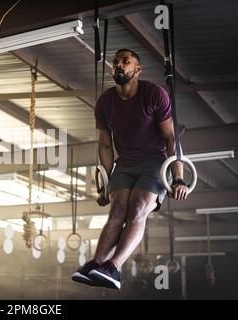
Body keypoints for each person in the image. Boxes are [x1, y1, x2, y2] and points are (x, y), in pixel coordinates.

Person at [71, 48, 189, 289]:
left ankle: (114, 267)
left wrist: (178, 177)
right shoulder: (105, 102)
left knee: (137, 207)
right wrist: (104, 186)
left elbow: (170, 138)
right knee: (116, 211)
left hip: (155, 162)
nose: (118, 65)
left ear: (137, 69)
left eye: (125, 62)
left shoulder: (155, 94)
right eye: (115, 62)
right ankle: (96, 264)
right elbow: (105, 145)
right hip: (124, 163)